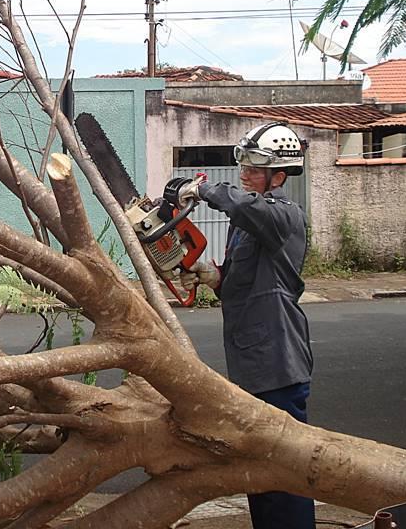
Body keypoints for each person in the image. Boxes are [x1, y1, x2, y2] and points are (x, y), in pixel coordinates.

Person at [177, 121, 315, 529]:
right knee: (258, 469)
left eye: (255, 168)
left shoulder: (282, 215)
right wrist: (208, 274)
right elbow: (239, 285)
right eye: (245, 165)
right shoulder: (249, 223)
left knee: (282, 471)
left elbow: (241, 204)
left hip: (278, 362)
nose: (244, 174)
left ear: (279, 175)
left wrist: (201, 189)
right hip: (252, 364)